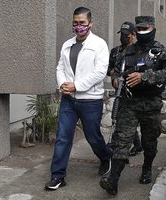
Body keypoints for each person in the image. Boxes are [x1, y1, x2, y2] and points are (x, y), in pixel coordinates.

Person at [100, 16, 166, 195]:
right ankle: (113, 180)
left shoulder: (161, 51)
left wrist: (144, 77)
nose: (142, 32)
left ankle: (147, 167)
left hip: (151, 104)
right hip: (129, 103)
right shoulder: (126, 52)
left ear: (153, 28)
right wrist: (116, 80)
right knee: (121, 140)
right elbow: (116, 72)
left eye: (145, 28)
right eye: (139, 28)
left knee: (149, 141)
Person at [44, 6, 112, 191]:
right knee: (63, 137)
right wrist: (62, 84)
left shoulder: (99, 44)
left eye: (82, 23)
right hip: (69, 100)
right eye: (75, 23)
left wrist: (78, 85)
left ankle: (106, 157)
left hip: (90, 100)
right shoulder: (67, 44)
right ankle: (58, 176)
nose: (78, 26)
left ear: (90, 23)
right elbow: (60, 67)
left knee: (93, 136)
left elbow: (100, 72)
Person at [107, 21, 143, 157]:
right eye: (121, 34)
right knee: (119, 117)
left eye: (126, 35)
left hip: (134, 91)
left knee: (128, 119)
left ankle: (126, 144)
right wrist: (114, 77)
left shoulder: (138, 51)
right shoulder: (115, 51)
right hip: (120, 90)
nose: (123, 37)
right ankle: (131, 145)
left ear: (133, 35)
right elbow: (109, 69)